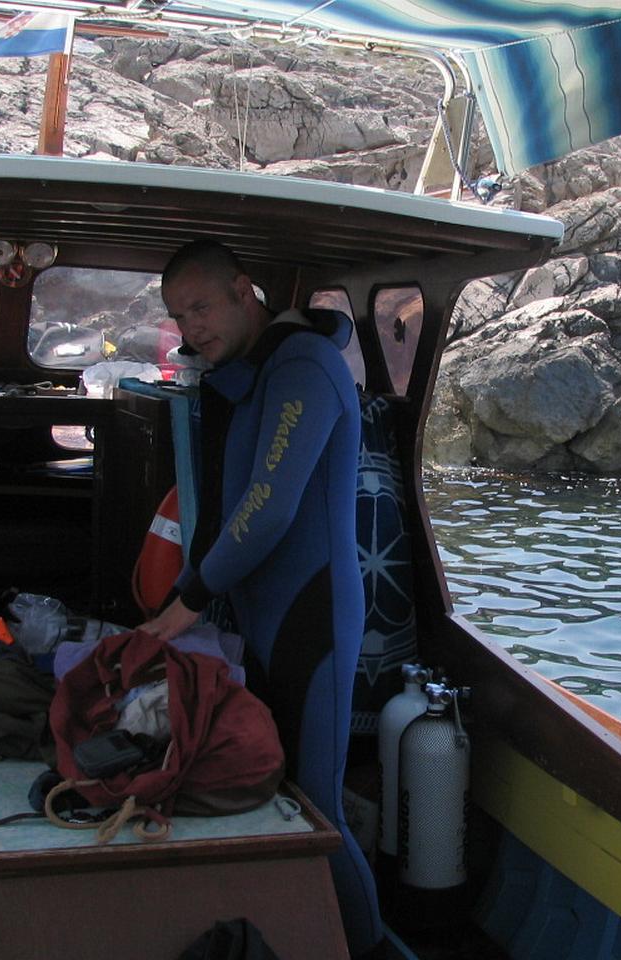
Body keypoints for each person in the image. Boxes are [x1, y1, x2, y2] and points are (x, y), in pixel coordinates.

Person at [141, 239, 384, 958]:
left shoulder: (302, 365)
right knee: (270, 798)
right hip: (261, 619)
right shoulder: (253, 371)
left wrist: (189, 599)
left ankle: (368, 947)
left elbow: (269, 507)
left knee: (316, 811)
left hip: (311, 624)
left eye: (202, 307)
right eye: (179, 316)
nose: (191, 328)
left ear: (244, 290)